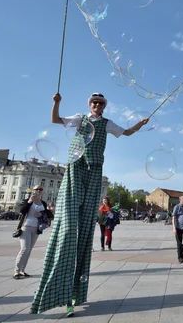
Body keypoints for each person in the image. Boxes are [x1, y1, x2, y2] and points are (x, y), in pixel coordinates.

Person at [30, 92, 148, 317]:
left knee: (84, 230)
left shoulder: (107, 123)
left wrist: (140, 124)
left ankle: (74, 294)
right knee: (68, 229)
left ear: (104, 106)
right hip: (76, 165)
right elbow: (55, 120)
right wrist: (56, 103)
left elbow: (127, 132)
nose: (96, 105)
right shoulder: (79, 119)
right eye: (94, 102)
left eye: (100, 103)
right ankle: (59, 289)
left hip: (94, 169)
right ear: (89, 105)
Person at [14, 185, 54, 279]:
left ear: (42, 191)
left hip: (37, 228)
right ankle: (16, 270)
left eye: (41, 189)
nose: (39, 191)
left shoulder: (43, 203)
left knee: (29, 250)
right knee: (24, 249)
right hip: (26, 227)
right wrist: (29, 202)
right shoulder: (28, 200)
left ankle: (22, 270)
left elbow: (49, 215)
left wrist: (42, 214)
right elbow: (22, 211)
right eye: (36, 189)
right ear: (33, 190)